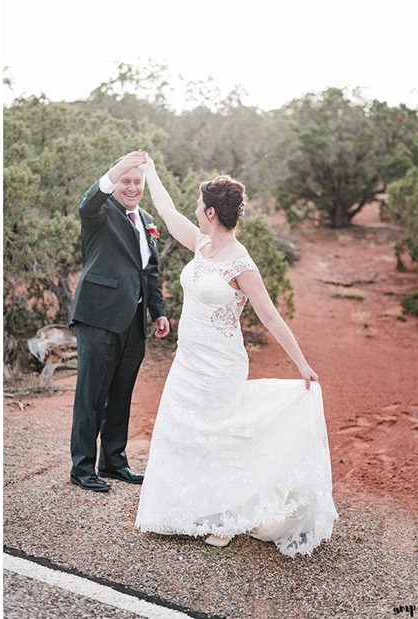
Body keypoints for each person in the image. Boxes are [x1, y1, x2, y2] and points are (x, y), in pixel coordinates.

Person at [133, 154, 337, 556]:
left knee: (216, 435)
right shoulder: (202, 242)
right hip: (188, 359)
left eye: (199, 206)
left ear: (210, 212)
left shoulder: (241, 263)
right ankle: (181, 510)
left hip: (220, 364)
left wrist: (302, 364)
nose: (194, 211)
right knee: (180, 431)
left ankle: (225, 517)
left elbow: (271, 316)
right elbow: (168, 212)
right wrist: (152, 171)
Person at [67, 151, 170, 493]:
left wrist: (158, 311)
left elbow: (149, 270)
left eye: (136, 182)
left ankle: (113, 461)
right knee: (91, 394)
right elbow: (87, 204)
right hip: (99, 315)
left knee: (121, 392)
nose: (132, 187)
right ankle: (82, 468)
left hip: (133, 321)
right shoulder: (100, 213)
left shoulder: (145, 218)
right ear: (115, 182)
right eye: (125, 181)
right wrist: (118, 169)